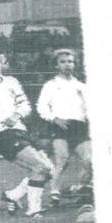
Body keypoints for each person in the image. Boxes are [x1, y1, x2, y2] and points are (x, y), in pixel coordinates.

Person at [0, 48, 54, 218]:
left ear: (2, 63)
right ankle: (33, 210)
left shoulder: (11, 81)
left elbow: (25, 106)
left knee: (48, 169)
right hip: (4, 136)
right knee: (40, 167)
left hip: (21, 132)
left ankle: (12, 196)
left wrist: (15, 116)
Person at [37, 49, 93, 205]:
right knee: (62, 159)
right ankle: (54, 192)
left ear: (75, 64)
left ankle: (82, 187)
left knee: (90, 161)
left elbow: (89, 108)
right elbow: (42, 107)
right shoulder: (51, 85)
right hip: (60, 126)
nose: (67, 64)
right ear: (56, 65)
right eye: (63, 62)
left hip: (79, 127)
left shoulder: (81, 86)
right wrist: (54, 119)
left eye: (70, 61)